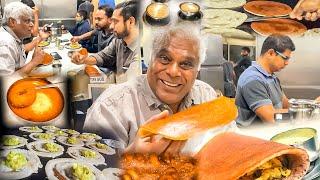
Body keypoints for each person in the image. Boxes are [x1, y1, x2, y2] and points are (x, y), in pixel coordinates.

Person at [82, 25, 217, 153]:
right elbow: (92, 169)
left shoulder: (207, 96)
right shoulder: (110, 108)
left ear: (198, 69)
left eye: (186, 64)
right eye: (164, 58)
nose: (173, 72)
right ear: (149, 59)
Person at [235, 34, 295, 127]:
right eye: (285, 58)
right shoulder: (253, 79)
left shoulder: (272, 76)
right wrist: (302, 114)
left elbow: (285, 104)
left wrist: (313, 105)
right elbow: (271, 118)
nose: (287, 63)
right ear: (271, 53)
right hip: (254, 138)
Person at [71, 0, 139, 74]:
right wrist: (83, 60)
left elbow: (133, 83)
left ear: (131, 22)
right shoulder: (118, 41)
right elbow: (103, 56)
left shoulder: (140, 52)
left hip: (109, 73)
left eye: (115, 21)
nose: (112, 26)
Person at [0, 2, 45, 76]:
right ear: (12, 22)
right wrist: (34, 62)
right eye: (27, 21)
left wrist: (34, 58)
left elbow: (23, 49)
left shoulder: (13, 36)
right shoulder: (5, 43)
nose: (32, 24)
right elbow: (6, 82)